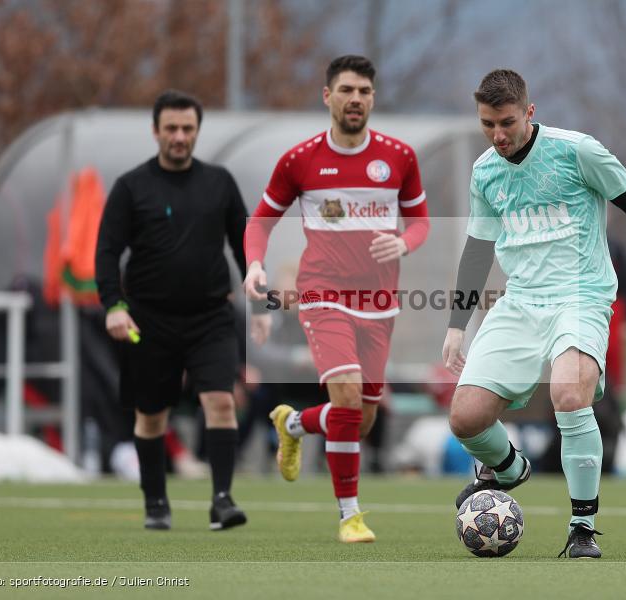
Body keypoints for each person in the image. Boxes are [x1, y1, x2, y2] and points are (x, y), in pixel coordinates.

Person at [442, 69, 626, 559]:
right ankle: (509, 470)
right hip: (520, 301)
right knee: (465, 418)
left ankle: (582, 528)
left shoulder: (577, 151)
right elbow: (477, 249)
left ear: (529, 112)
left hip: (581, 295)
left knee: (570, 392)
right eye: (488, 124)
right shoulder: (485, 171)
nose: (498, 135)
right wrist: (455, 325)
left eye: (507, 122)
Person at [244, 55, 430, 543]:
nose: (356, 99)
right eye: (347, 90)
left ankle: (295, 424)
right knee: (346, 399)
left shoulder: (399, 157)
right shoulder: (300, 159)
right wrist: (256, 264)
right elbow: (261, 220)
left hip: (380, 303)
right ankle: (350, 516)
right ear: (328, 96)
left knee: (361, 418)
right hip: (323, 294)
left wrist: (404, 243)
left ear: (373, 97)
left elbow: (422, 222)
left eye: (364, 91)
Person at [96, 90, 266, 531]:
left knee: (220, 401)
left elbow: (246, 244)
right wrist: (114, 305)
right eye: (170, 128)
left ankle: (223, 500)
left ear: (196, 131)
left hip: (211, 317)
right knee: (151, 415)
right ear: (155, 131)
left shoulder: (219, 182)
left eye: (187, 128)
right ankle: (155, 502)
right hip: (148, 321)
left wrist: (260, 299)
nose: (179, 136)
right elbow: (106, 252)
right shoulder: (132, 187)